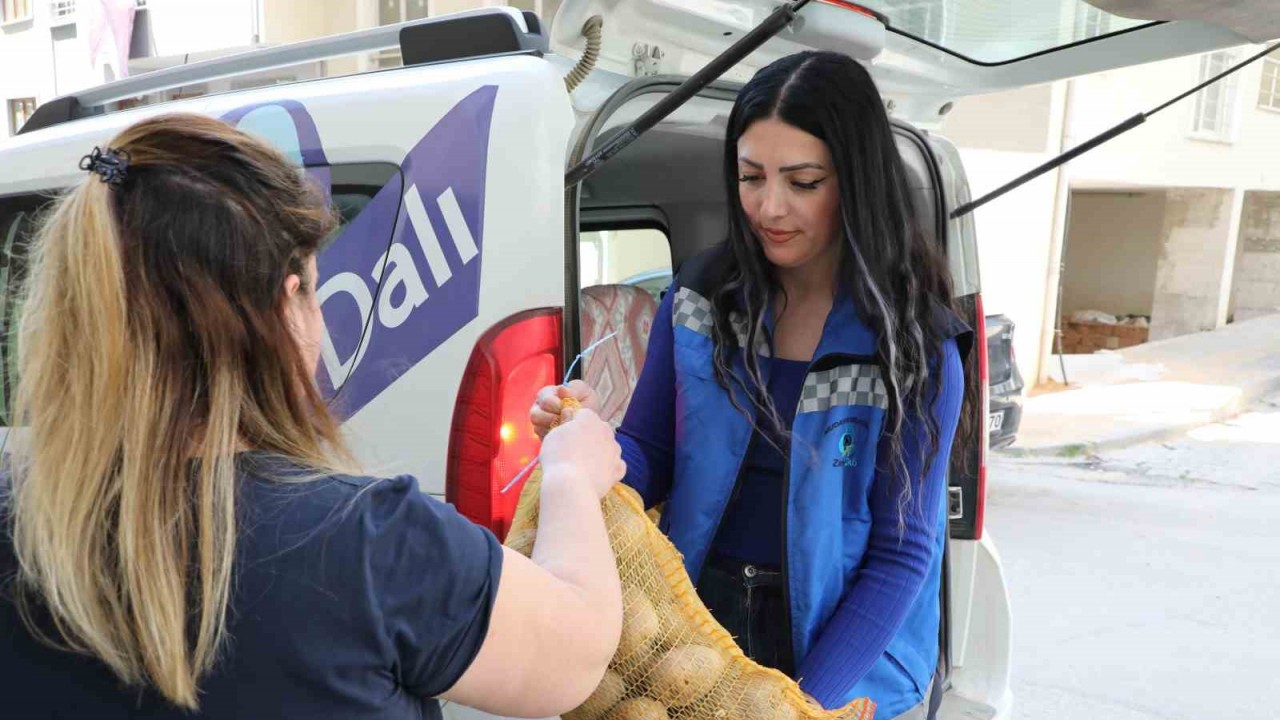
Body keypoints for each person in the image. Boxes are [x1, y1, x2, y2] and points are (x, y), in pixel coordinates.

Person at [0, 114, 625, 720]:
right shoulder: (366, 541)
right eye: (318, 289)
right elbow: (575, 653)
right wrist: (571, 476)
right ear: (287, 301)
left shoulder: (17, 519)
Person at [533, 51, 973, 720]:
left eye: (803, 181)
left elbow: (902, 553)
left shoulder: (915, 343)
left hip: (848, 650)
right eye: (751, 177)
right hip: (700, 628)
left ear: (855, 181)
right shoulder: (702, 299)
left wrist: (801, 707)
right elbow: (650, 456)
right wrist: (585, 447)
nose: (770, 207)